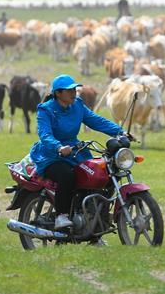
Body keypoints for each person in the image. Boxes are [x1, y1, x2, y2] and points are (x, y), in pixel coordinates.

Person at [29, 74, 133, 231]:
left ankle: (95, 225)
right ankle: (61, 216)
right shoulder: (46, 110)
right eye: (69, 90)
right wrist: (58, 147)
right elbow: (45, 135)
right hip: (51, 155)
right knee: (67, 176)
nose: (74, 93)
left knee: (102, 175)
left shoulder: (77, 105)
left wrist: (120, 131)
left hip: (75, 151)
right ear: (58, 93)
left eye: (74, 89)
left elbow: (96, 120)